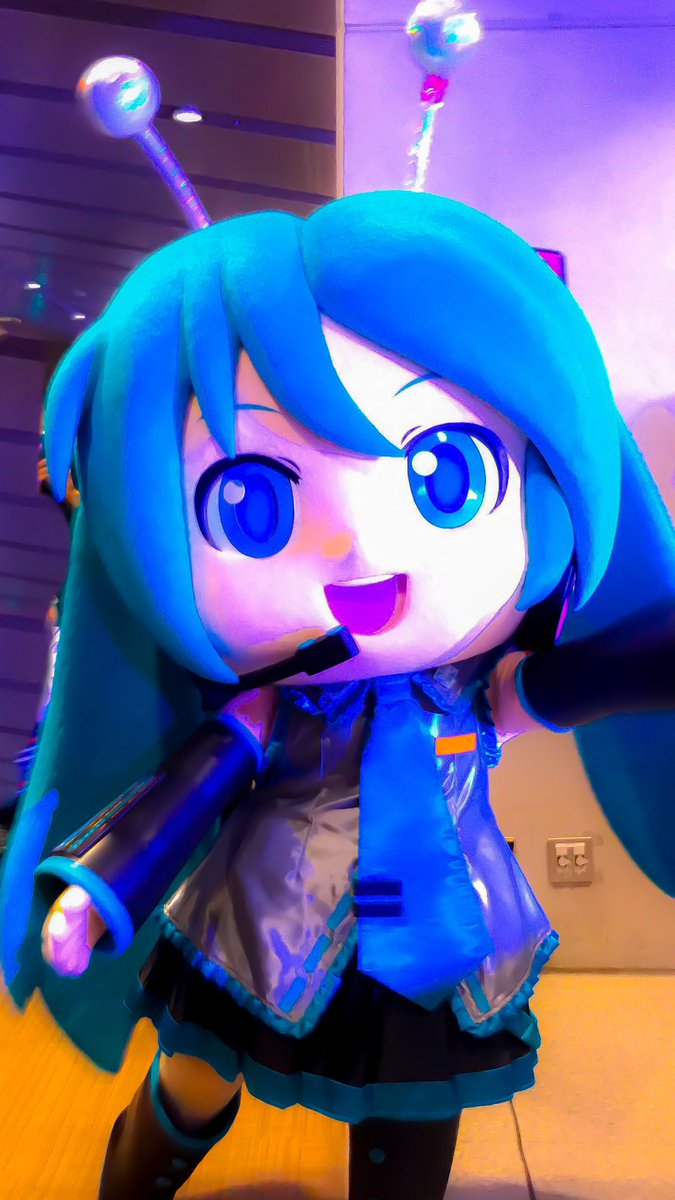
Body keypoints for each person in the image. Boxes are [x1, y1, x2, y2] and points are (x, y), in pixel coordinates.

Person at [1, 191, 674, 1200]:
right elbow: (191, 787)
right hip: (262, 928)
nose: (360, 545)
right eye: (250, 504)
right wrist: (105, 888)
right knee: (193, 1087)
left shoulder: (471, 691)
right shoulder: (277, 704)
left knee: (417, 1110)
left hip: (444, 937)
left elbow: (573, 684)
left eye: (446, 473)